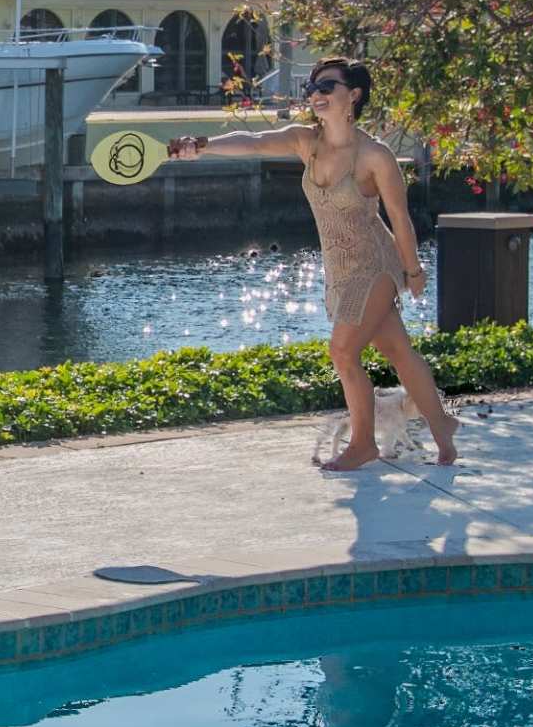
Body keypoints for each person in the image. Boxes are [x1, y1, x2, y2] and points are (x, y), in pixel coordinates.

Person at [172, 56, 458, 469]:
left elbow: (399, 218)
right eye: (312, 89)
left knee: (342, 352)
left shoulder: (374, 156)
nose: (316, 95)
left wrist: (412, 271)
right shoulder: (305, 140)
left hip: (375, 265)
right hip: (338, 269)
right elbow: (251, 143)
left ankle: (363, 443)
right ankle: (441, 425)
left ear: (353, 95)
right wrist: (200, 146)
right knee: (398, 350)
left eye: (327, 87)